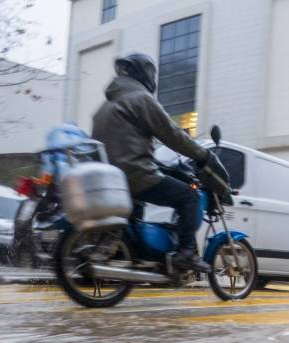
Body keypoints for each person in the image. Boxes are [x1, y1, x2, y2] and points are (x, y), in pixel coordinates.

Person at [91, 52, 225, 273]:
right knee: (189, 196)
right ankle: (187, 253)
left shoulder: (105, 107)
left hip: (111, 178)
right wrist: (202, 154)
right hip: (135, 174)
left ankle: (144, 259)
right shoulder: (141, 98)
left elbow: (125, 143)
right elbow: (172, 134)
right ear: (145, 73)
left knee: (139, 211)